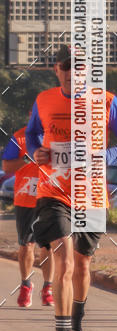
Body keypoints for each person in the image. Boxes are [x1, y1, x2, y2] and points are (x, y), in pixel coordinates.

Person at [26, 44, 117, 331]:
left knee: (83, 264)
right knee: (64, 261)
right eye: (67, 65)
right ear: (57, 69)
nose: (74, 71)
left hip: (90, 194)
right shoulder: (44, 100)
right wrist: (36, 153)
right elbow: (33, 135)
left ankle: (76, 328)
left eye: (80, 66)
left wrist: (105, 155)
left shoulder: (106, 101)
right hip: (54, 191)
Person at [1, 125, 54, 307]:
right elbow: (6, 166)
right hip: (26, 199)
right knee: (26, 246)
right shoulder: (20, 137)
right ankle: (26, 285)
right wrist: (27, 158)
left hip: (50, 197)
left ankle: (48, 288)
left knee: (48, 246)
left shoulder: (57, 134)